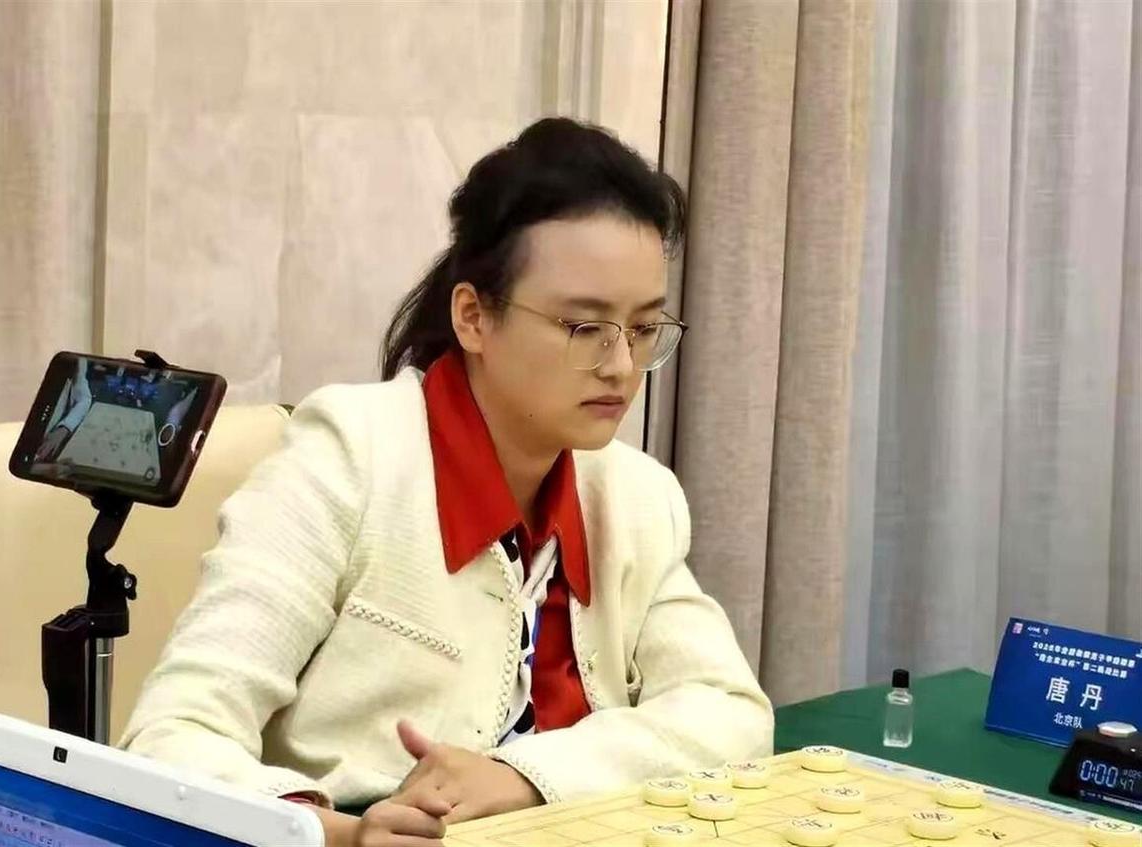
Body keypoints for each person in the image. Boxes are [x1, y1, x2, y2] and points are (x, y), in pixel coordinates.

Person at [121, 118, 773, 847]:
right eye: (583, 327)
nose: (621, 366)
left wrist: (522, 775)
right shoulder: (346, 458)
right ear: (473, 317)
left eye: (644, 329)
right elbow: (173, 735)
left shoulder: (636, 496)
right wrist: (341, 835)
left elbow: (731, 713)